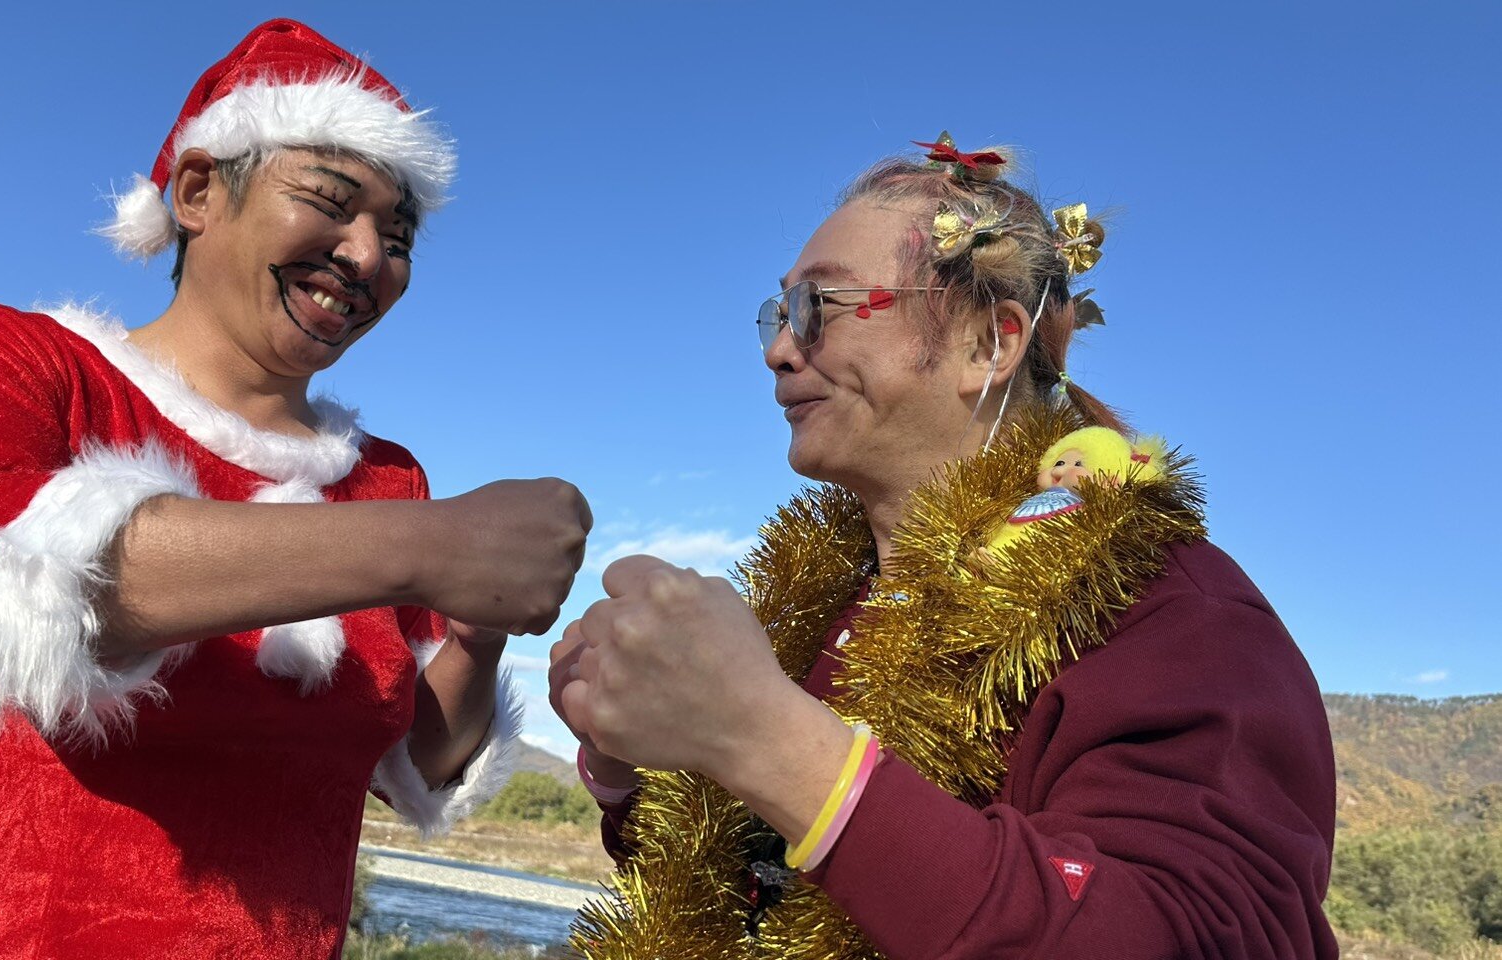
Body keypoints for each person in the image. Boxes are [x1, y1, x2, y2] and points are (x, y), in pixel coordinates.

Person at [0, 19, 590, 958]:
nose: (368, 256)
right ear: (200, 192)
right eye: (331, 202)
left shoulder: (387, 482)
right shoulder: (7, 359)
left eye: (398, 235)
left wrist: (477, 634)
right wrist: (430, 546)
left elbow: (417, 761)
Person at [550, 135, 1337, 958]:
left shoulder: (1173, 615)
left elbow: (1194, 936)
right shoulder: (826, 609)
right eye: (777, 316)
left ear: (989, 344)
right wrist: (627, 768)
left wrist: (768, 739)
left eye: (822, 307)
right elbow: (753, 892)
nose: (781, 351)